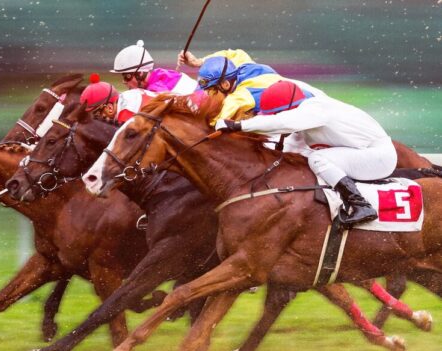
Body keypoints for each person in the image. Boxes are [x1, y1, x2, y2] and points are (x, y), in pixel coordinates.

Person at [215, 80, 397, 226]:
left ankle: (360, 205)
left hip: (378, 157)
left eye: (276, 114)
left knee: (318, 158)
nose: (274, 119)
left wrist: (238, 126)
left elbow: (281, 123)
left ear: (288, 109)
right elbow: (288, 147)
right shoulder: (305, 119)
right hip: (363, 153)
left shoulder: (314, 110)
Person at [178, 49, 323, 123]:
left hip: (310, 109)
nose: (208, 95)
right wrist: (199, 62)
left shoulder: (242, 97)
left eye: (210, 91)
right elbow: (231, 53)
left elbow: (215, 120)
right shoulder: (239, 62)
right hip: (300, 91)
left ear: (225, 84)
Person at [110, 40, 198, 95]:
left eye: (127, 77)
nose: (124, 82)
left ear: (140, 73)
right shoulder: (160, 73)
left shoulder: (155, 90)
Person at [79, 73, 158, 124]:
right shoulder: (129, 96)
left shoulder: (126, 115)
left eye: (96, 115)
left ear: (109, 108)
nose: (97, 120)